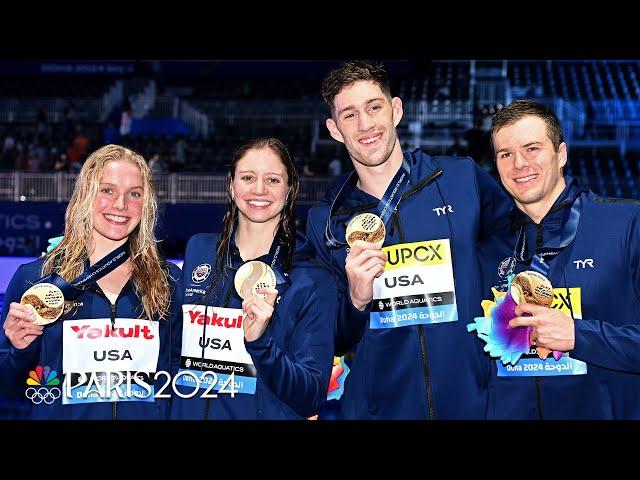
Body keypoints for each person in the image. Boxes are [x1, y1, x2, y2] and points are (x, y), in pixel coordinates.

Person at [305, 60, 511, 419]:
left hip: (472, 405)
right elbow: (332, 338)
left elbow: (516, 249)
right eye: (349, 115)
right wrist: (355, 299)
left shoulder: (461, 179)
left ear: (395, 109)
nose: (365, 124)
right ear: (334, 129)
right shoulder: (326, 222)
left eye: (374, 107)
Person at [481, 99, 640, 419]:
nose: (519, 164)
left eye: (532, 148)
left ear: (561, 153)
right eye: (506, 154)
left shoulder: (626, 223)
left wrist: (579, 336)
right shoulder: (489, 245)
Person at [0, 144, 183, 419]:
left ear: (146, 205)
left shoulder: (168, 281)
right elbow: (8, 386)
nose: (120, 205)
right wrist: (19, 351)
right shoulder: (36, 279)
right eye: (107, 190)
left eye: (134, 194)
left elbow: (178, 379)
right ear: (86, 194)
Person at [170, 138, 336, 420]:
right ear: (231, 185)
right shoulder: (200, 250)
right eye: (248, 177)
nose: (259, 189)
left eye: (272, 179)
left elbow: (310, 396)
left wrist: (261, 343)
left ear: (290, 189)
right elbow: (176, 351)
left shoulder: (312, 278)